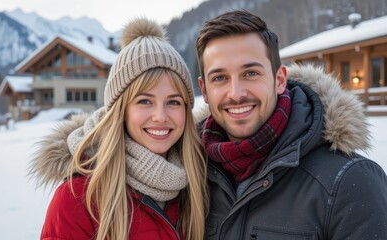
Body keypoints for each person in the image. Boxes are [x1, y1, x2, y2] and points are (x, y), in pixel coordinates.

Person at [194, 9, 387, 239]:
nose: (236, 93)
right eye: (219, 78)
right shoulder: (192, 176)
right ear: (204, 90)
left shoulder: (348, 181)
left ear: (279, 80)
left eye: (251, 73)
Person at [29, 17, 207, 240]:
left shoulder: (199, 183)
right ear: (120, 110)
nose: (161, 117)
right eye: (144, 101)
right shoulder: (78, 199)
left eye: (173, 102)